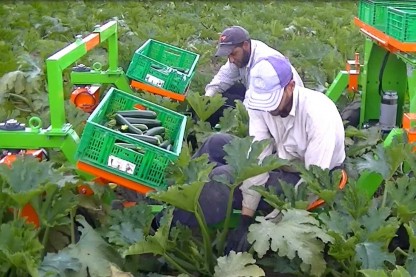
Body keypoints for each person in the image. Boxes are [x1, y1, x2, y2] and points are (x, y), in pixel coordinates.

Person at [170, 55, 346, 253]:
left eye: (272, 101)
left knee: (223, 178)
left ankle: (173, 226)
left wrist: (264, 225)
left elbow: (312, 183)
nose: (268, 110)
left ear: (290, 87)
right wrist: (247, 214)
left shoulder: (318, 116)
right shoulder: (261, 105)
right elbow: (258, 158)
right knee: (215, 142)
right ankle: (179, 196)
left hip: (309, 177)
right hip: (279, 160)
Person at [204, 26, 304, 126]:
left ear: (245, 45)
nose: (231, 60)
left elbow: (253, 105)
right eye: (228, 55)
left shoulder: (264, 65)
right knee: (226, 92)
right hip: (262, 98)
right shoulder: (243, 54)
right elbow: (223, 78)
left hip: (284, 113)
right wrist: (206, 98)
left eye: (233, 54)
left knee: (225, 104)